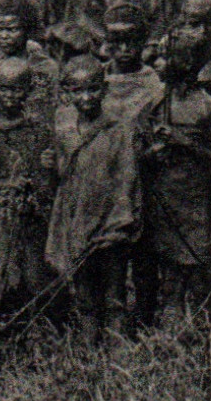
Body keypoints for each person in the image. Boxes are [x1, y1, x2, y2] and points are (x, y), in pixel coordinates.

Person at [45, 55, 141, 343]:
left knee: (114, 293)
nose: (86, 97)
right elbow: (64, 176)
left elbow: (127, 178)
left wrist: (119, 225)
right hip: (77, 220)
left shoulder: (118, 129)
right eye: (77, 91)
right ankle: (87, 350)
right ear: (67, 92)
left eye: (93, 89)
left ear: (104, 89)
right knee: (84, 291)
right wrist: (50, 165)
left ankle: (118, 351)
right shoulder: (63, 128)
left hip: (109, 222)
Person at [134, 4, 211, 326]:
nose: (167, 64)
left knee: (196, 263)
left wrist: (185, 143)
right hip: (163, 195)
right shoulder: (156, 102)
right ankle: (169, 323)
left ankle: (201, 321)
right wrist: (150, 151)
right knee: (168, 266)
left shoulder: (207, 106)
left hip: (195, 198)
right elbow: (138, 143)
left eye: (178, 58)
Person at [0, 58, 58, 315]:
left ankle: (41, 326)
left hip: (29, 212)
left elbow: (45, 175)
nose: (10, 96)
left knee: (33, 272)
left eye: (16, 89)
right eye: (4, 89)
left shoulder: (39, 128)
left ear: (28, 90)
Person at [100, 3, 163, 122]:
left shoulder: (153, 85)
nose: (124, 49)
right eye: (117, 41)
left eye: (131, 42)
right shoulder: (97, 78)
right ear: (108, 43)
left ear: (142, 41)